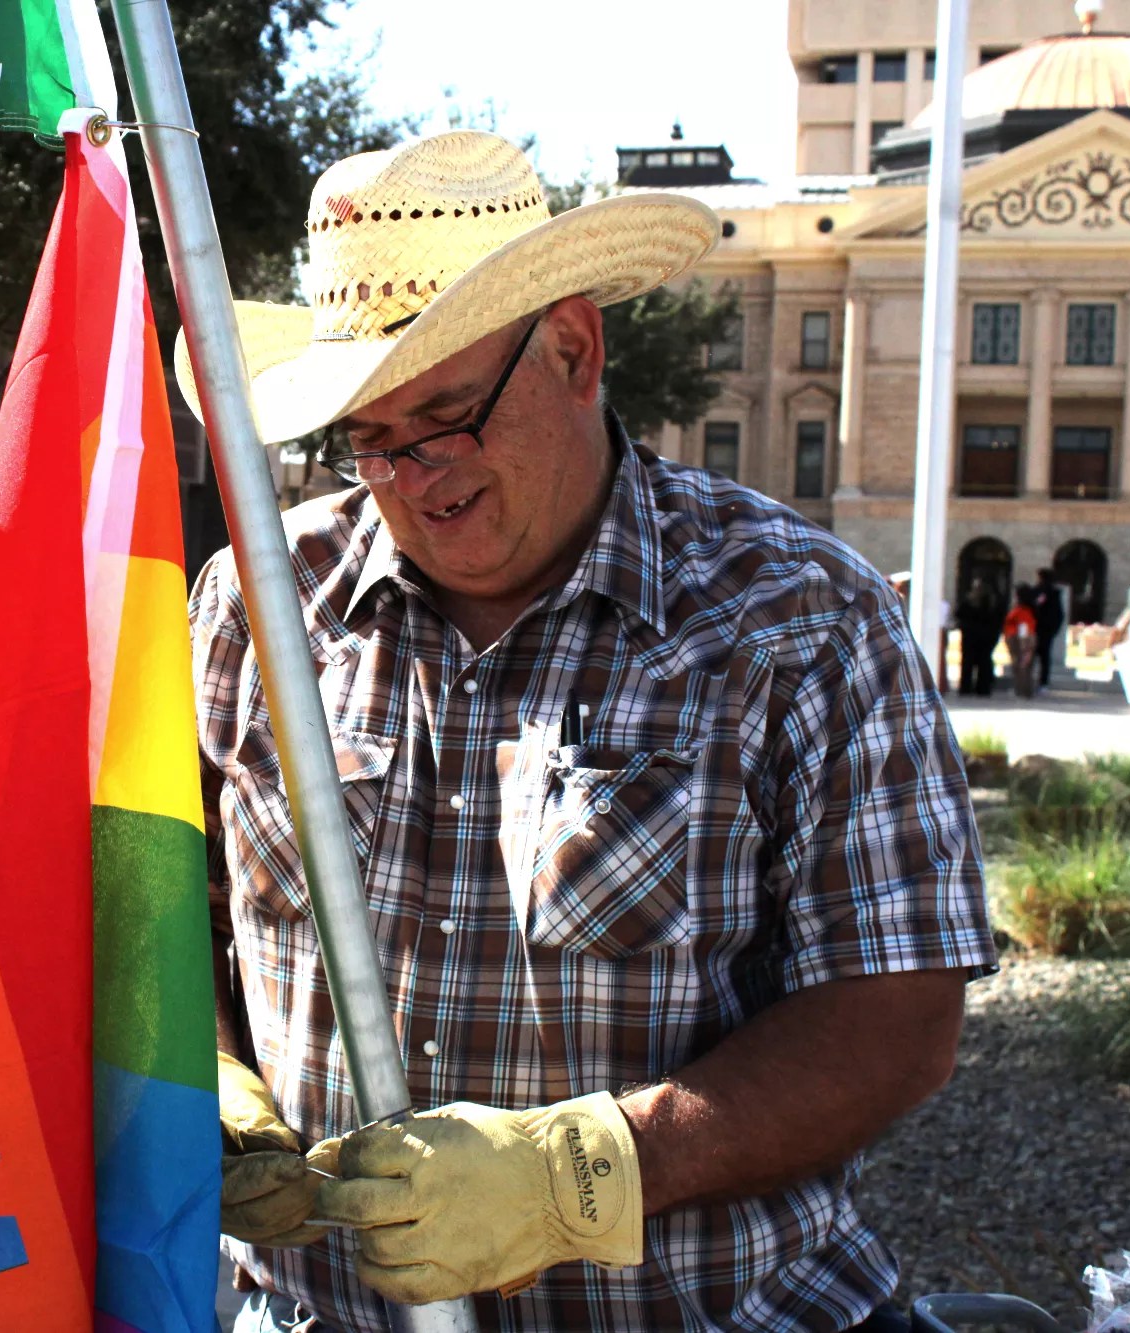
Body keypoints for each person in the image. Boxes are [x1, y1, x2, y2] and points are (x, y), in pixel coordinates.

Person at [186, 131, 994, 1333]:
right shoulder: (257, 598)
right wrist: (207, 1080)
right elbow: (166, 905)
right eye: (365, 434)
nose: (411, 476)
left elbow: (897, 1018)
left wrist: (581, 1175)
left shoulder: (795, 615)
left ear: (572, 348)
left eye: (447, 415)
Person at [955, 578, 1002, 697]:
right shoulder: (990, 602)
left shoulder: (979, 601)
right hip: (982, 636)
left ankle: (967, 687)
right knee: (981, 661)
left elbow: (959, 614)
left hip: (973, 636)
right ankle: (981, 688)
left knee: (972, 662)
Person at [1031, 569, 1064, 691]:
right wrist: (1054, 629)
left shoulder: (1038, 592)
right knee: (1045, 657)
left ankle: (1028, 681)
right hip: (1047, 630)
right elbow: (1059, 614)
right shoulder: (1055, 593)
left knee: (1031, 656)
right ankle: (1043, 683)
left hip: (1036, 628)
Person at [1003, 585, 1038, 700]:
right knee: (1020, 665)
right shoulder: (1022, 609)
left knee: (1022, 665)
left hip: (1019, 640)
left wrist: (1024, 646)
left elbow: (1024, 628)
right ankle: (1022, 689)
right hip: (1016, 638)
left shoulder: (1023, 611)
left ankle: (1023, 690)